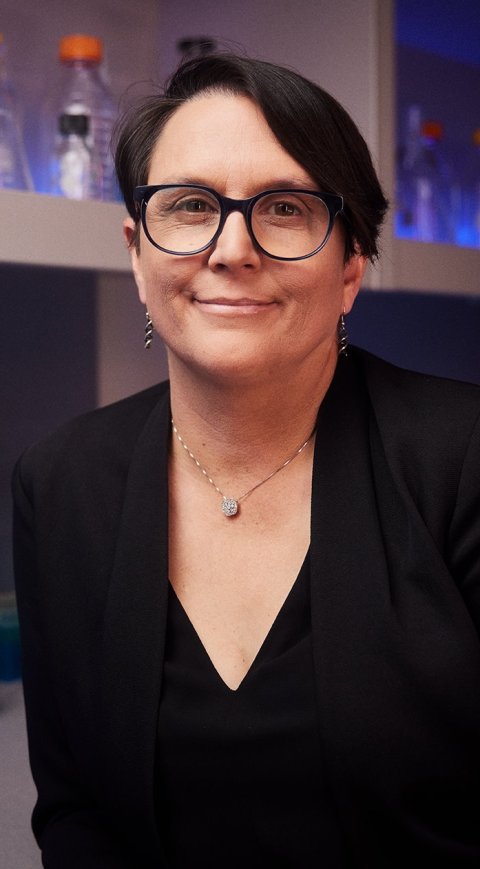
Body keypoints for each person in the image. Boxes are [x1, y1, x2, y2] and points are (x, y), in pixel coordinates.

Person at [12, 52, 480, 868]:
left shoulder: (464, 459)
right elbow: (77, 817)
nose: (232, 248)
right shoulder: (59, 486)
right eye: (192, 205)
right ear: (136, 252)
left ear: (351, 268)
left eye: (286, 207)